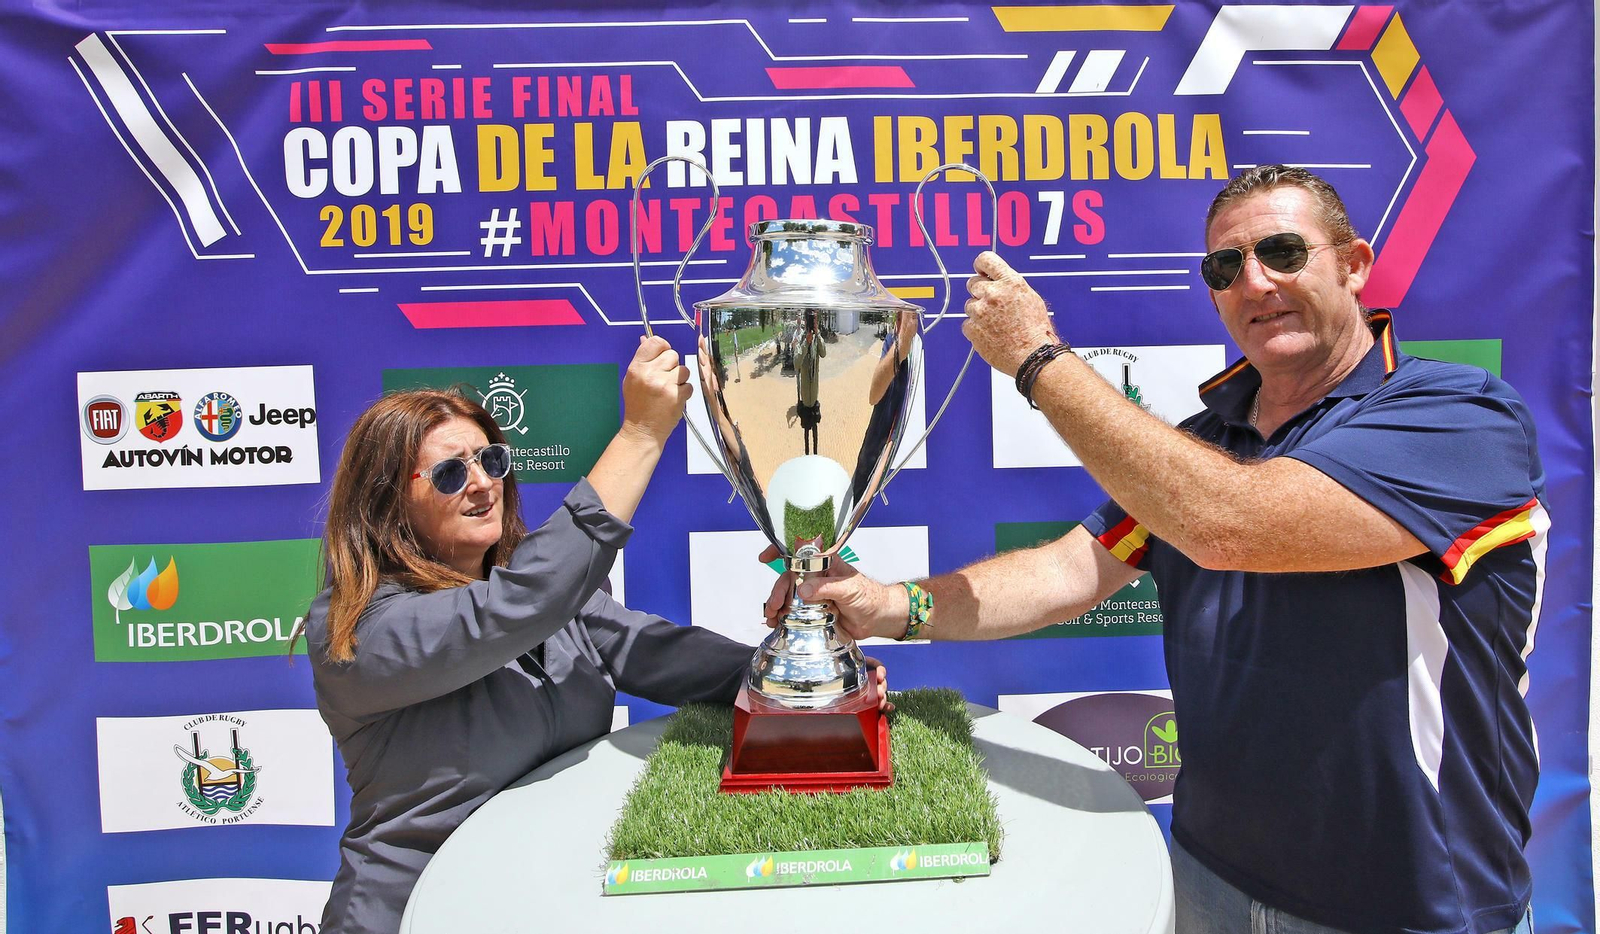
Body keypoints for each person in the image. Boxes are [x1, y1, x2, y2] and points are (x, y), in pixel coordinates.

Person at [766, 166, 1544, 934]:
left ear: (1354, 265)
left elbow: (1234, 525)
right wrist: (890, 606)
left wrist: (1037, 360)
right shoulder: (1205, 444)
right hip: (1208, 878)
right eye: (1225, 266)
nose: (1256, 282)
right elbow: (1071, 570)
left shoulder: (1457, 416)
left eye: (1282, 252)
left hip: (1410, 906)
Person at [299, 336, 888, 934]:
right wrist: (641, 433)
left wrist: (809, 677)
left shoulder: (552, 601)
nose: (482, 484)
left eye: (492, 461)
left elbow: (662, 653)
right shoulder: (354, 629)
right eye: (452, 473)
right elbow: (521, 603)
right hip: (408, 915)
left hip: (531, 906)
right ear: (388, 501)